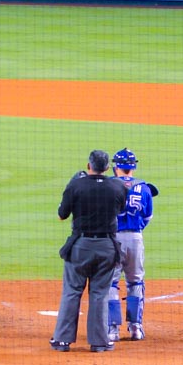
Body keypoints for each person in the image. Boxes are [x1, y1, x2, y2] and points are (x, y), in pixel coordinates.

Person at [50, 149, 128, 352]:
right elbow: (119, 210)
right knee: (100, 294)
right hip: (107, 247)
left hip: (80, 246)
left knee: (72, 291)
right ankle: (99, 342)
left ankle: (62, 340)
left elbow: (61, 215)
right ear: (108, 168)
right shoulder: (117, 187)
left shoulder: (76, 185)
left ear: (88, 165)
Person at [106, 148, 154, 343]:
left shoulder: (108, 186)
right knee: (135, 282)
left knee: (111, 282)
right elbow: (147, 217)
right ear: (133, 167)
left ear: (116, 166)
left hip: (113, 238)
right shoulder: (144, 188)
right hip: (135, 238)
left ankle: (112, 330)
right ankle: (136, 328)